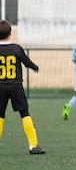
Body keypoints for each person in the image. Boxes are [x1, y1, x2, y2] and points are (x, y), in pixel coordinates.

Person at [0, 20, 45, 154]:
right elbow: (27, 62)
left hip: (0, 86)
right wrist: (35, 67)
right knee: (24, 113)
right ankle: (33, 145)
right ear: (10, 32)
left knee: (0, 115)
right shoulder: (16, 48)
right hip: (15, 86)